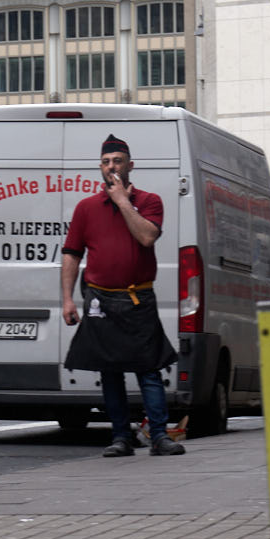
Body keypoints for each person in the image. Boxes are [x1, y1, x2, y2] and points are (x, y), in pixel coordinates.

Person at [61, 134, 184, 458]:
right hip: (101, 300)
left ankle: (158, 436)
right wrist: (68, 299)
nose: (111, 167)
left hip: (137, 299)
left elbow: (146, 237)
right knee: (109, 371)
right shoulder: (86, 208)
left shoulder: (151, 201)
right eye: (106, 162)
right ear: (99, 167)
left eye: (117, 161)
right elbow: (72, 254)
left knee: (149, 369)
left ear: (130, 165)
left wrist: (122, 202)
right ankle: (120, 437)